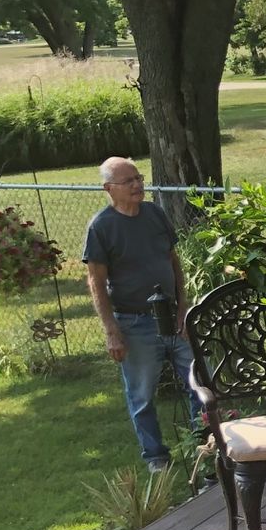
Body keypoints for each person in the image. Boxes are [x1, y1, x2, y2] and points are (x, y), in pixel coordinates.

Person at [83, 157, 196, 472]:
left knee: (200, 380)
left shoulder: (155, 214)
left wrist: (183, 307)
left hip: (173, 315)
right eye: (128, 181)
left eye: (138, 177)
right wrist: (111, 330)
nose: (137, 185)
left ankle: (207, 443)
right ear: (109, 189)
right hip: (135, 322)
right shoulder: (101, 227)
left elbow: (174, 262)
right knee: (142, 394)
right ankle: (156, 456)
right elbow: (96, 282)